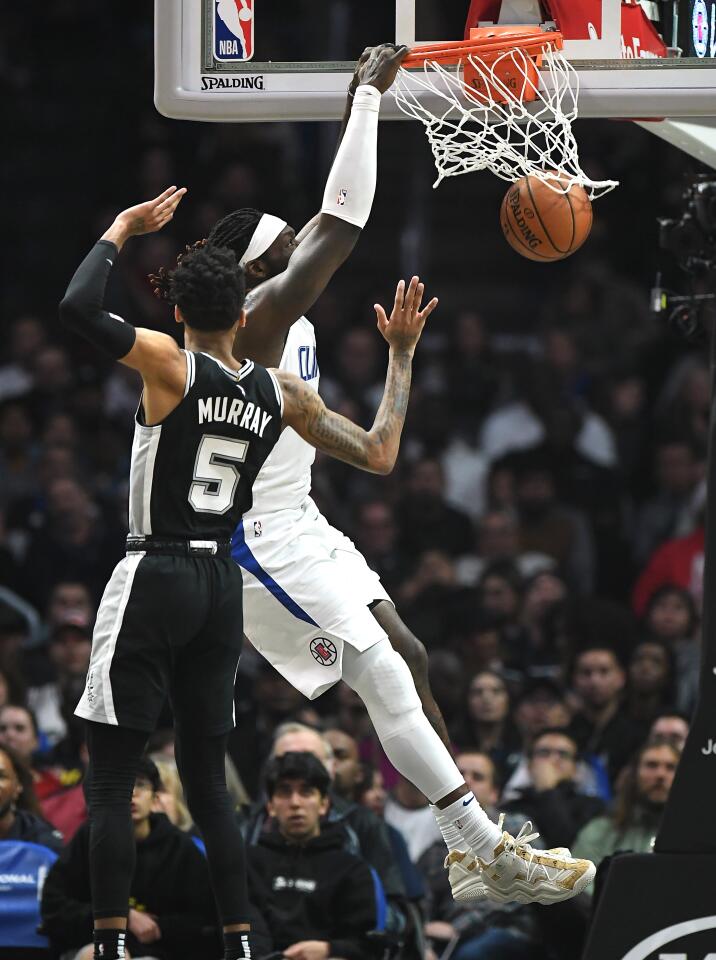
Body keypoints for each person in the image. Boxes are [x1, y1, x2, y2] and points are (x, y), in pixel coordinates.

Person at [154, 46, 595, 906]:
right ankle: (482, 845)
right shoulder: (258, 322)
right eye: (284, 251)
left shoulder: (296, 329)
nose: (301, 258)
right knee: (383, 674)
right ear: (250, 274)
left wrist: (400, 360)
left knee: (414, 653)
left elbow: (381, 455)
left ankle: (470, 851)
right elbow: (343, 224)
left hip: (302, 522)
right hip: (250, 546)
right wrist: (364, 102)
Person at [59, 181, 437, 960]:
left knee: (109, 779)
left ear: (179, 313)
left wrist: (123, 227)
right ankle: (238, 942)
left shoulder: (166, 362)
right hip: (220, 587)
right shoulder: (276, 389)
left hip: (155, 567)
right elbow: (378, 451)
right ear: (246, 311)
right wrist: (399, 357)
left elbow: (77, 308)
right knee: (208, 783)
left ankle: (108, 947)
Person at [40, 757, 226, 960]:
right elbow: (54, 907)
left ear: (155, 799)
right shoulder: (88, 839)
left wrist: (159, 928)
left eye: (140, 785)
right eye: (122, 784)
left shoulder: (178, 847)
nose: (131, 792)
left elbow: (205, 920)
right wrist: (125, 918)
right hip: (93, 944)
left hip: (161, 951)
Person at [247, 751, 386, 960]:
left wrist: (329, 950)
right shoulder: (248, 863)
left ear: (324, 804)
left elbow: (369, 946)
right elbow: (241, 932)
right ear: (270, 806)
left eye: (306, 792)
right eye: (284, 792)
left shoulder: (351, 870)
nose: (295, 803)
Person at [418, 751, 541, 960]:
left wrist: (457, 928)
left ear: (494, 794)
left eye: (478, 777)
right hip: (450, 938)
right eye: (458, 774)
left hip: (506, 929)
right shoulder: (436, 849)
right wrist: (422, 944)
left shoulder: (515, 828)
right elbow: (421, 904)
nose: (465, 781)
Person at [572, 739, 681, 894]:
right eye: (651, 765)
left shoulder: (698, 835)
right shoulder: (600, 831)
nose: (660, 774)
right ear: (634, 775)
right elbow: (578, 882)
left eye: (670, 767)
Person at [502, 728, 605, 849]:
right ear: (529, 765)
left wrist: (547, 790)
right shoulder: (510, 808)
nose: (553, 760)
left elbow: (568, 847)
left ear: (575, 768)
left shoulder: (592, 807)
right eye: (544, 753)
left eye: (563, 754)